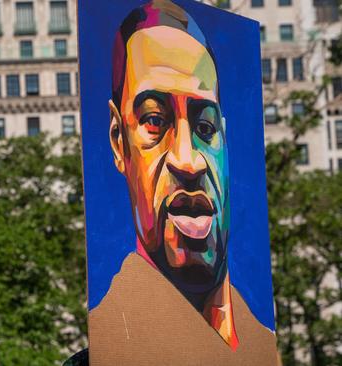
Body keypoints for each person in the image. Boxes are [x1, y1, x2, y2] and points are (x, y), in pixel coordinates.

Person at [88, 0, 278, 364]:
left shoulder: (261, 343)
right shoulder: (110, 343)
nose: (188, 161)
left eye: (205, 128)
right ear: (118, 140)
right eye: (154, 121)